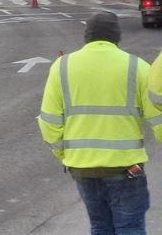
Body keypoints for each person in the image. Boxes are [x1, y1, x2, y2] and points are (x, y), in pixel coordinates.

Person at [39, 12, 162, 234]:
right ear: (117, 37)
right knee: (130, 227)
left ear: (87, 37)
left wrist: (65, 155)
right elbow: (158, 119)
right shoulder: (137, 67)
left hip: (82, 168)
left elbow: (49, 122)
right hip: (126, 168)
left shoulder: (62, 67)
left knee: (100, 226)